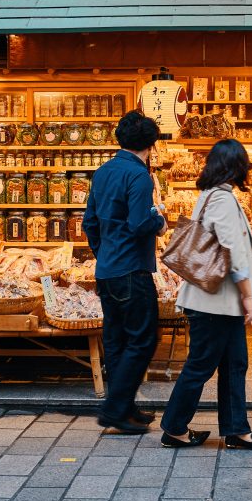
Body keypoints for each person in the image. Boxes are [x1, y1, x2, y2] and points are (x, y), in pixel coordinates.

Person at [160, 138, 252, 452]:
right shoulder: (223, 200)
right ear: (237, 167)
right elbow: (233, 251)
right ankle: (174, 428)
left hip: (215, 301)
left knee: (235, 363)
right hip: (215, 301)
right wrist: (248, 296)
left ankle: (237, 430)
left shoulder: (209, 195)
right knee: (200, 365)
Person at [83, 110, 168, 434]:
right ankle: (116, 409)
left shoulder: (103, 172)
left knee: (117, 340)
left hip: (107, 270)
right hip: (132, 269)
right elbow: (138, 222)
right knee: (144, 339)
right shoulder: (138, 175)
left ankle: (125, 407)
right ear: (151, 144)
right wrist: (159, 223)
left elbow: (89, 222)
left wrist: (102, 253)